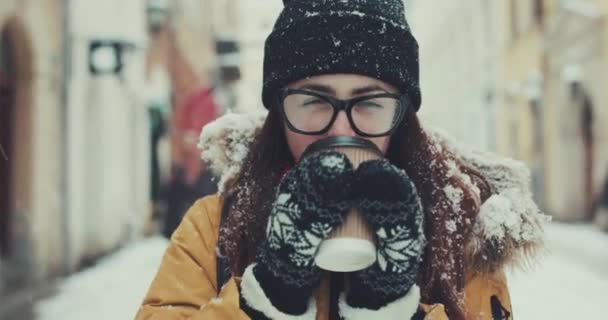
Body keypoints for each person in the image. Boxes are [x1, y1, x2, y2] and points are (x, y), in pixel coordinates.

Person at [136, 1, 546, 319]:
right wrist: (266, 299)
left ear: (402, 116)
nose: (338, 131)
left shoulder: (460, 234)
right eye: (314, 100)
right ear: (279, 109)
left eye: (369, 102)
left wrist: (389, 307)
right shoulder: (215, 230)